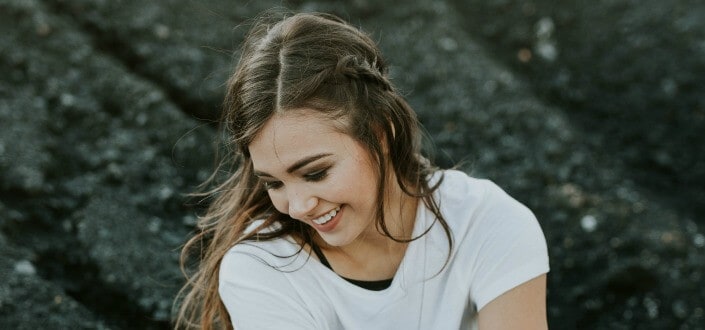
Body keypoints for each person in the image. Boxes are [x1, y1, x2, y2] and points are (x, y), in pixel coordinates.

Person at [175, 11, 549, 330]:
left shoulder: (485, 223)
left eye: (315, 173)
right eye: (274, 183)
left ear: (380, 132)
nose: (298, 205)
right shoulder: (260, 267)